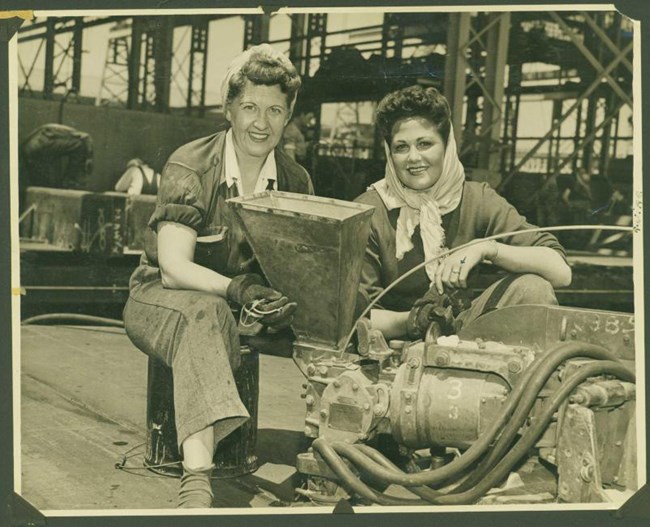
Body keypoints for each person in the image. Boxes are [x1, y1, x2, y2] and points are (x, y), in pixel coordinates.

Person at [122, 44, 313, 509]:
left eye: (274, 110)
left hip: (244, 311)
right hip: (162, 299)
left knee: (339, 324)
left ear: (288, 118)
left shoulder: (296, 181)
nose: (260, 122)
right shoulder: (191, 165)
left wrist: (289, 304)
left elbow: (301, 270)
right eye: (249, 106)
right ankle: (197, 479)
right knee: (206, 312)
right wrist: (238, 288)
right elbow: (173, 268)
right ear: (229, 108)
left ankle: (338, 451)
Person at [354, 85, 572, 341]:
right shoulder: (368, 211)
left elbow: (561, 272)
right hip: (393, 347)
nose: (413, 158)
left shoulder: (476, 198)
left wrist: (488, 248)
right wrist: (418, 320)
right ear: (389, 154)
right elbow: (358, 316)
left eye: (425, 144)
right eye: (401, 147)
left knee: (532, 288)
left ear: (448, 146)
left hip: (467, 336)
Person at [19, 123, 93, 207]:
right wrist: (89, 157)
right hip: (40, 143)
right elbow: (86, 137)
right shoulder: (81, 139)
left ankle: (63, 183)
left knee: (41, 182)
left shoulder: (63, 133)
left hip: (32, 145)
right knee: (80, 146)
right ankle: (69, 182)